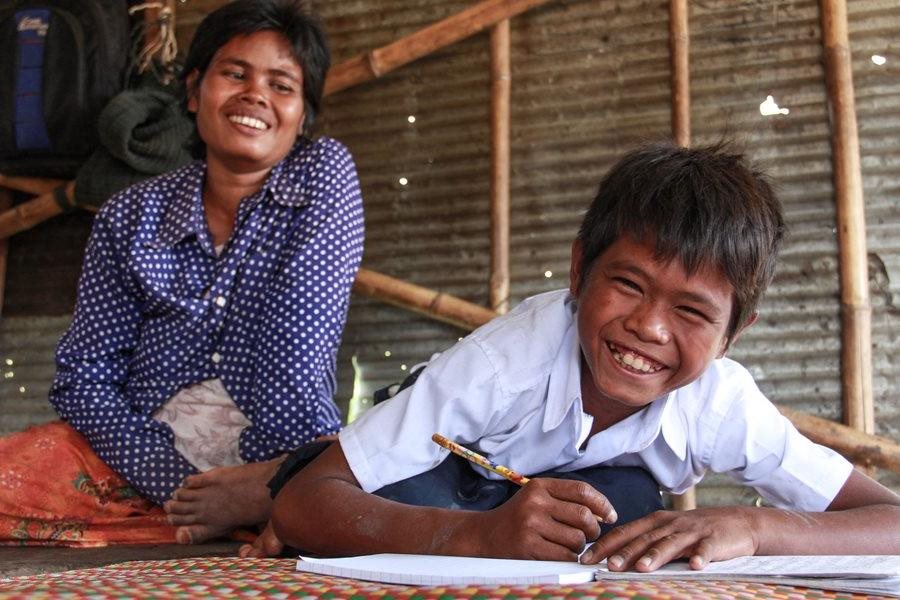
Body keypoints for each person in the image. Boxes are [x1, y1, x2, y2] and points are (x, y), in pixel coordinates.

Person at [242, 142, 900, 568]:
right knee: (375, 491)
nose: (647, 327)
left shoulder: (721, 403)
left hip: (543, 492)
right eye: (628, 284)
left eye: (692, 312)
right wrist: (476, 538)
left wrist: (753, 528)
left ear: (734, 334)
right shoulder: (507, 361)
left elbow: (892, 522)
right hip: (457, 466)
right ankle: (263, 480)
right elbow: (308, 504)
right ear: (580, 268)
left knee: (631, 503)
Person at [0, 0, 364, 547]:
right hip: (139, 456)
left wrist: (272, 484)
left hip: (282, 453)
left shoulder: (323, 176)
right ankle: (201, 521)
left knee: (388, 486)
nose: (255, 95)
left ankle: (274, 506)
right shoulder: (130, 215)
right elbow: (84, 377)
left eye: (282, 85)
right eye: (234, 73)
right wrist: (179, 485)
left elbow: (297, 347)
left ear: (303, 116)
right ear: (194, 91)